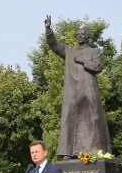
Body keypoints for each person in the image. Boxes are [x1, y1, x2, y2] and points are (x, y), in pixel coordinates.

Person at [43, 16, 111, 157]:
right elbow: (54, 45)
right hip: (72, 91)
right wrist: (49, 30)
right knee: (69, 119)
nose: (80, 37)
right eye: (78, 35)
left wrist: (84, 61)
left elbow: (98, 66)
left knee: (94, 118)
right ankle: (67, 152)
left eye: (82, 35)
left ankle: (95, 151)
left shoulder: (94, 51)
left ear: (87, 37)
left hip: (88, 89)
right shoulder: (69, 51)